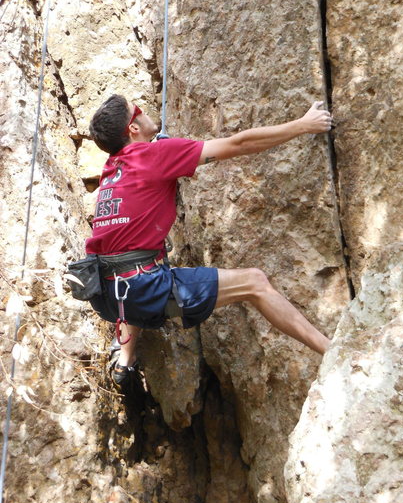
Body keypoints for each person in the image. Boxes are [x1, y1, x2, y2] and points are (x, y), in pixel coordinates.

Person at [86, 94, 332, 385]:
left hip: (108, 295)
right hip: (143, 290)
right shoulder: (155, 156)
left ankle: (124, 360)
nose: (144, 111)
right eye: (137, 110)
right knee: (255, 282)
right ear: (133, 128)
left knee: (139, 261)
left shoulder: (111, 171)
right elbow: (238, 144)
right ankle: (333, 351)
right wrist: (304, 125)